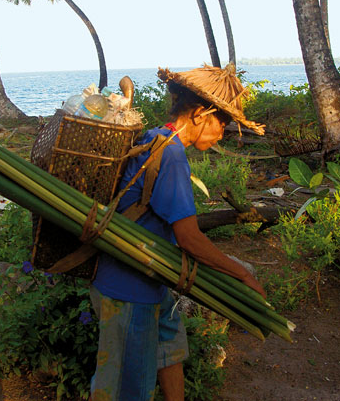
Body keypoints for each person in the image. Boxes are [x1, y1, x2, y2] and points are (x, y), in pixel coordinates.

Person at [89, 64, 266, 401]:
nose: (222, 134)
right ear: (200, 114)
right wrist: (241, 274)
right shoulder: (170, 154)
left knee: (170, 353)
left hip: (150, 279)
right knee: (127, 390)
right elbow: (189, 238)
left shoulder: (157, 135)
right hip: (130, 288)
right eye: (222, 124)